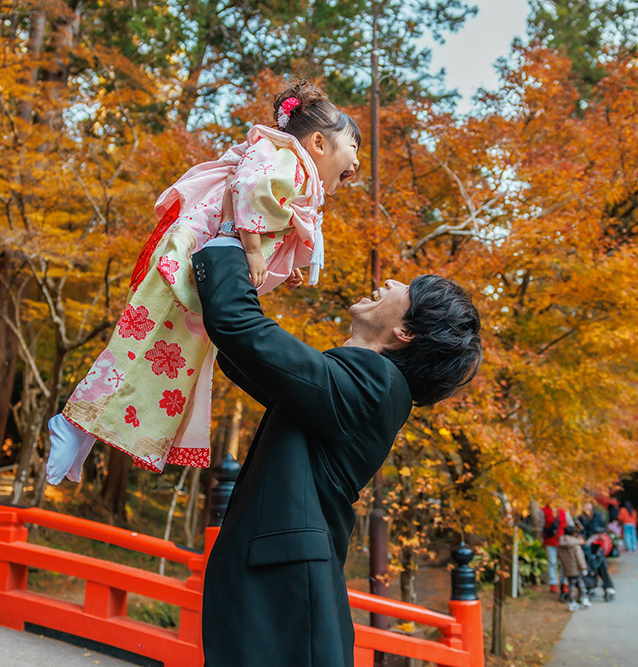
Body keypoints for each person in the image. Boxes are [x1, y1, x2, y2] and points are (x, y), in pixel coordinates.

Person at [45, 79, 361, 482]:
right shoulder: (289, 160)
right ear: (318, 143)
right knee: (143, 345)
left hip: (200, 265)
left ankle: (82, 433)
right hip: (190, 256)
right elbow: (250, 189)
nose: (356, 162)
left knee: (164, 359)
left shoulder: (294, 170)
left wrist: (282, 263)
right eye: (353, 147)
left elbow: (263, 210)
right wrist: (250, 249)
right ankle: (74, 426)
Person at [192, 240, 481, 665]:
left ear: (406, 332)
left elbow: (240, 327)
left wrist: (233, 239)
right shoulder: (364, 388)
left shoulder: (375, 383)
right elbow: (243, 357)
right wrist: (262, 267)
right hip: (283, 598)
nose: (391, 281)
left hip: (285, 601)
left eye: (409, 289)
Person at [558, 527, 591, 611]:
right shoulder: (575, 545)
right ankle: (583, 598)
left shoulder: (561, 544)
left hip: (566, 569)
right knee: (580, 583)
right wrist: (584, 568)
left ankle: (571, 601)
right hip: (575, 569)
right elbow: (580, 558)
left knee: (571, 585)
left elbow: (559, 556)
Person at [540, 505, 567, 593]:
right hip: (550, 540)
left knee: (563, 562)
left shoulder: (562, 510)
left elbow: (566, 524)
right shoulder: (544, 511)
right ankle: (553, 583)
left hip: (561, 540)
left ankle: (564, 583)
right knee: (552, 562)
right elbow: (541, 525)